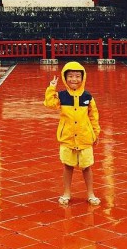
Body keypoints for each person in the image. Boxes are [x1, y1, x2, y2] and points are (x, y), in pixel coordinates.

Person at [44, 61, 101, 206]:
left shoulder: (88, 96)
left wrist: (95, 133)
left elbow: (93, 116)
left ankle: (91, 194)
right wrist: (51, 88)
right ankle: (66, 193)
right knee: (68, 166)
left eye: (77, 76)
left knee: (87, 167)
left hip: (84, 137)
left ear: (83, 78)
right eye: (70, 76)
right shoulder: (61, 96)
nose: (74, 79)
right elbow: (49, 104)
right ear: (65, 77)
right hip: (67, 138)